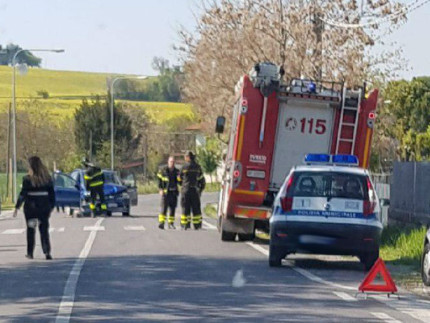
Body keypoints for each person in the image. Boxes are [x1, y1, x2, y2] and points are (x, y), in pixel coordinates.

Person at [13, 156, 55, 260]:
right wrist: (51, 206)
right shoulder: (47, 179)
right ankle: (47, 252)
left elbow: (23, 194)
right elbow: (52, 194)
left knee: (31, 229)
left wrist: (17, 207)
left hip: (31, 209)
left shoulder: (27, 179)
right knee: (44, 229)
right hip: (44, 208)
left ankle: (30, 252)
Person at [178, 151, 206, 230]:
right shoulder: (198, 167)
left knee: (185, 208)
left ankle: (185, 224)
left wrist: (182, 185)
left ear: (188, 157)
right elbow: (202, 180)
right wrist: (200, 190)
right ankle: (197, 225)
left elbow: (179, 179)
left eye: (185, 156)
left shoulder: (184, 167)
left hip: (185, 190)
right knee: (196, 208)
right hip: (195, 190)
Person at [157, 156, 180, 230]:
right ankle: (161, 223)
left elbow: (180, 182)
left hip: (173, 193)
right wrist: (160, 189)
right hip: (165, 193)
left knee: (172, 209)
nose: (172, 163)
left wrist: (180, 178)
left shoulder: (177, 172)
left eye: (173, 162)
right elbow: (159, 181)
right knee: (163, 209)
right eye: (171, 162)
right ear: (168, 162)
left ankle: (171, 223)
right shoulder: (163, 171)